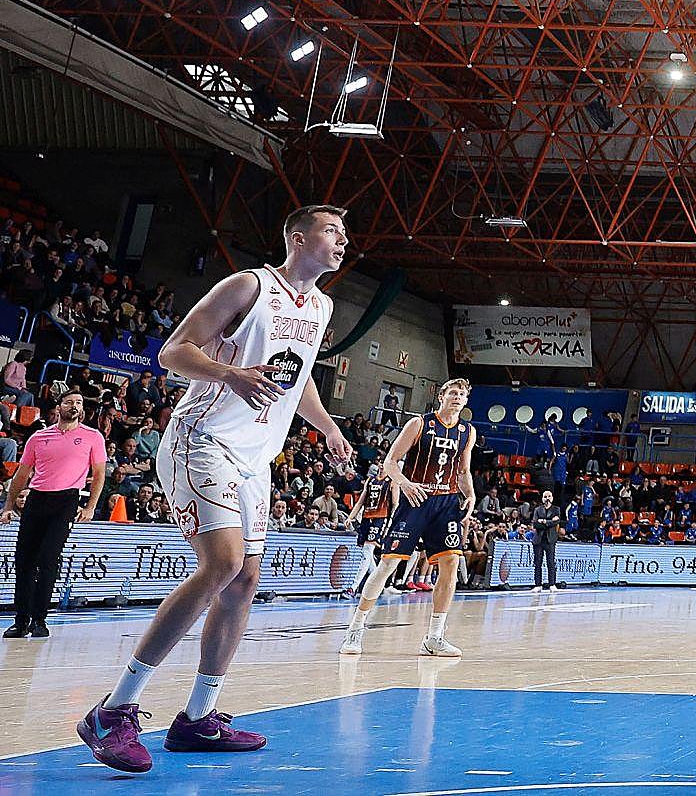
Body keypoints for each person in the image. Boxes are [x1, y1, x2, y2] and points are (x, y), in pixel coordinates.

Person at [77, 205, 350, 774]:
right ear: (298, 239)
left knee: (245, 580)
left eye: (344, 233)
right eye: (331, 230)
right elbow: (173, 351)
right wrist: (228, 374)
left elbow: (297, 378)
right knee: (222, 563)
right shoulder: (250, 286)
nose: (342, 240)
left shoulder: (322, 306)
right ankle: (113, 710)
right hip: (202, 439)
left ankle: (198, 718)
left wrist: (327, 427)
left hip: (255, 457)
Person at [340, 378, 477, 657]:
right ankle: (356, 627)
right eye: (452, 392)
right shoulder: (419, 424)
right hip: (416, 499)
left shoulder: (468, 431)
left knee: (451, 563)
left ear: (465, 401)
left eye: (462, 394)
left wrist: (471, 494)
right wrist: (404, 483)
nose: (457, 397)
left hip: (446, 501)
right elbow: (390, 462)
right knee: (387, 564)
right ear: (441, 396)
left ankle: (434, 637)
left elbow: (463, 470)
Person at [1, 390, 106, 637]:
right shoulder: (39, 437)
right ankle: (21, 620)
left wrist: (90, 507)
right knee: (24, 561)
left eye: (79, 402)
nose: (74, 406)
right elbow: (22, 474)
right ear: (59, 407)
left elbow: (99, 474)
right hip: (37, 498)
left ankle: (39, 619)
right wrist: (8, 506)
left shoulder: (92, 436)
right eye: (69, 402)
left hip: (66, 500)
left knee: (48, 559)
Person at [349, 464, 393, 595]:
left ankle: (353, 587)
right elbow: (361, 501)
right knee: (367, 553)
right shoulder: (371, 480)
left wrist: (390, 522)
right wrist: (350, 517)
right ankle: (380, 584)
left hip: (380, 518)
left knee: (367, 550)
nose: (382, 465)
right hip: (366, 517)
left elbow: (395, 504)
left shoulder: (391, 482)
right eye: (380, 462)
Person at [531, 488, 563, 591]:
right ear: (542, 498)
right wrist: (549, 522)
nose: (547, 498)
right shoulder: (537, 510)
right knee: (538, 563)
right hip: (538, 540)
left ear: (552, 498)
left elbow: (556, 522)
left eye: (549, 496)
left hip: (550, 540)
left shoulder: (556, 509)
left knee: (550, 563)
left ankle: (552, 584)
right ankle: (538, 585)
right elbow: (535, 524)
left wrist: (544, 521)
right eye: (545, 497)